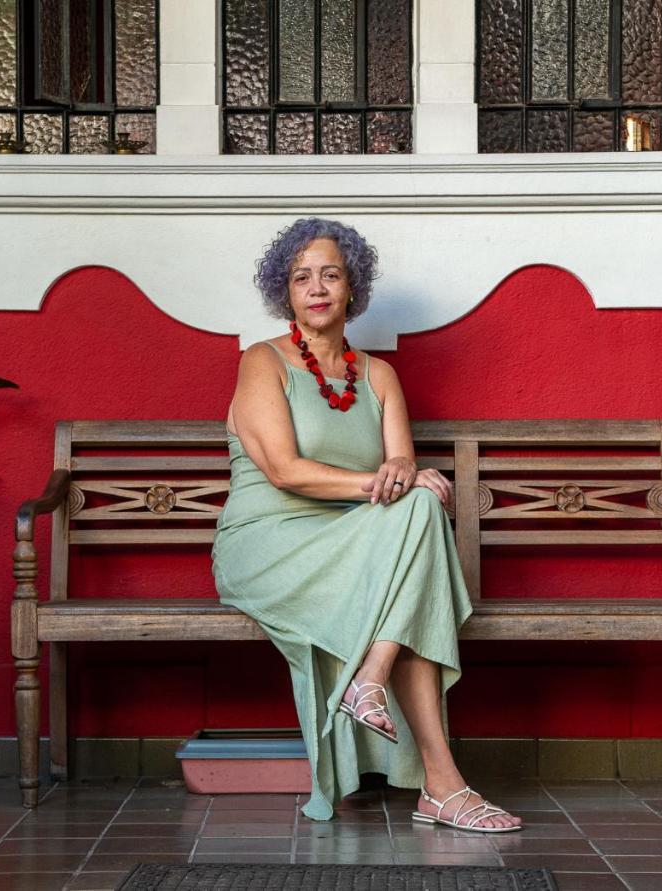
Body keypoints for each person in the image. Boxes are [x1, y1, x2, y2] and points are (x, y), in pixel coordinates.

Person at [211, 218, 523, 832]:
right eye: (302, 277)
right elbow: (284, 470)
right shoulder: (262, 362)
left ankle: (376, 685)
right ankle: (440, 785)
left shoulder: (378, 376)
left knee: (417, 522)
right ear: (286, 291)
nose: (317, 287)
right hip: (270, 542)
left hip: (356, 540)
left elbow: (400, 463)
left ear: (353, 287)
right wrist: (386, 483)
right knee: (414, 539)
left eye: (331, 274)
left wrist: (407, 471)